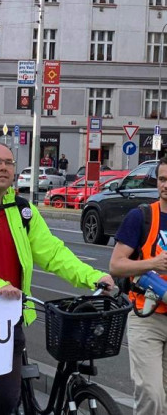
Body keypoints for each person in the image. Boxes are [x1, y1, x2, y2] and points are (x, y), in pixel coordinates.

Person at [0, 142, 114, 414]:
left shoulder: (22, 211)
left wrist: (92, 277)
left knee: (6, 401)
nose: (4, 168)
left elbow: (53, 253)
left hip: (8, 320)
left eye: (9, 163)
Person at [109, 156, 167, 415]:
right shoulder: (141, 216)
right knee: (151, 396)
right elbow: (116, 266)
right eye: (163, 179)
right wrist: (152, 263)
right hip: (148, 317)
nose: (166, 185)